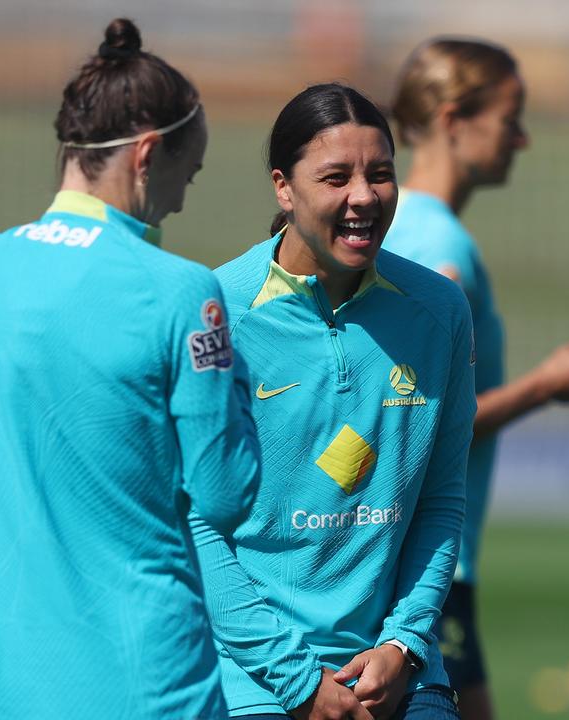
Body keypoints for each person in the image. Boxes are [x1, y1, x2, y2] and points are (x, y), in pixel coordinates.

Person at [0, 18, 261, 718]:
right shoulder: (183, 293)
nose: (182, 198)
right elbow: (226, 493)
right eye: (185, 175)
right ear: (148, 154)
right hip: (142, 687)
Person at [191, 83, 475, 720]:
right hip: (255, 677)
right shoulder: (215, 311)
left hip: (396, 669)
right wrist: (299, 682)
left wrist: (403, 644)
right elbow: (198, 522)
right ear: (283, 188)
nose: (364, 198)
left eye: (380, 175)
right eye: (336, 177)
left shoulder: (439, 311)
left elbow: (439, 500)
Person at [383, 38, 569, 718]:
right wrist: (546, 385)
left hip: (397, 556)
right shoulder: (440, 246)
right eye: (511, 116)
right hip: (429, 568)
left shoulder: (391, 228)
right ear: (455, 119)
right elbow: (419, 416)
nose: (522, 138)